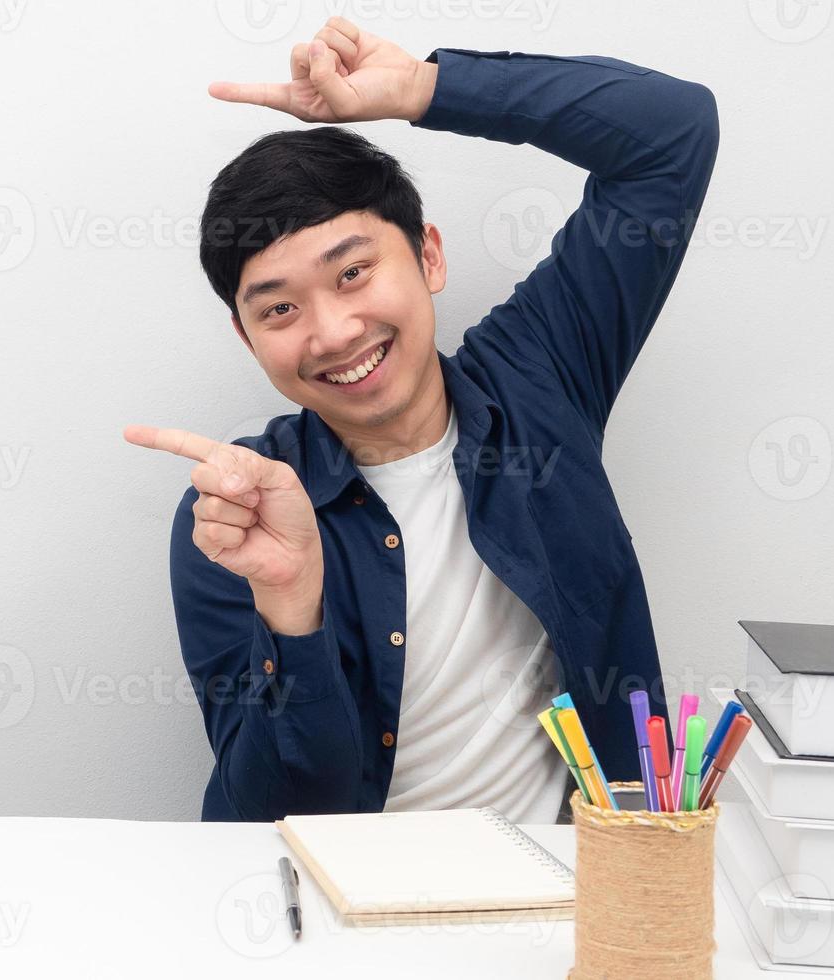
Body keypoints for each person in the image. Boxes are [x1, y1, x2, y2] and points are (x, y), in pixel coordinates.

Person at [124, 18, 719, 823]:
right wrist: (293, 607)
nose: (333, 332)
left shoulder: (540, 375)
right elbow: (274, 814)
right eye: (282, 307)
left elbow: (671, 132)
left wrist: (422, 89)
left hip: (581, 896)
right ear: (248, 335)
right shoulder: (239, 512)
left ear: (429, 257)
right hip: (348, 919)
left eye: (355, 272)